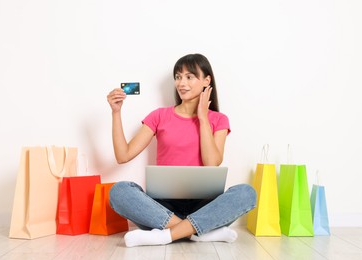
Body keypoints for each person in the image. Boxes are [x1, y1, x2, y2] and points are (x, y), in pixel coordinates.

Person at [106, 53, 256, 247]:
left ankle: (165, 236)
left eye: (189, 76)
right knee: (119, 191)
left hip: (205, 206)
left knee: (247, 193)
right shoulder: (159, 116)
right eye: (178, 77)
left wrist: (202, 117)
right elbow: (123, 155)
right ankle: (196, 232)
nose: (181, 83)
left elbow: (212, 162)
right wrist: (116, 113)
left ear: (206, 80)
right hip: (162, 208)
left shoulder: (218, 120)